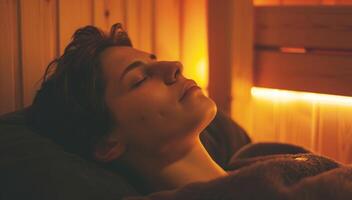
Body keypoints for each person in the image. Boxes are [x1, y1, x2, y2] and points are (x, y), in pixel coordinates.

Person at [27, 23, 227, 194]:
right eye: (140, 80)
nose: (175, 65)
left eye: (154, 61)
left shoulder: (251, 169)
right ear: (107, 145)